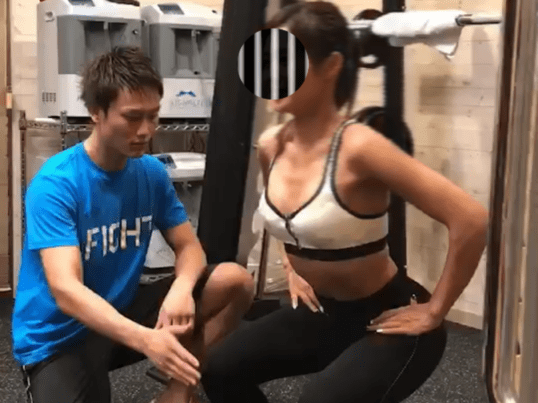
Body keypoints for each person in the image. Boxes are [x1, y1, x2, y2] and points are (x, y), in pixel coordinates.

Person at [201, 2, 489, 403]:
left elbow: (471, 219)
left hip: (385, 314)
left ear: (332, 66)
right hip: (324, 313)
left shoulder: (360, 147)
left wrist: (435, 310)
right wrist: (293, 267)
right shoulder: (271, 145)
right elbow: (283, 217)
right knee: (219, 370)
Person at [11, 46, 255, 403]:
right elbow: (66, 290)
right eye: (132, 117)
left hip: (122, 309)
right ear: (96, 112)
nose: (146, 130)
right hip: (61, 334)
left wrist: (182, 287)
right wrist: (146, 340)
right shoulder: (57, 183)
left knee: (235, 282)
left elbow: (188, 246)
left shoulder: (151, 172)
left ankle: (178, 390)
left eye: (153, 116)